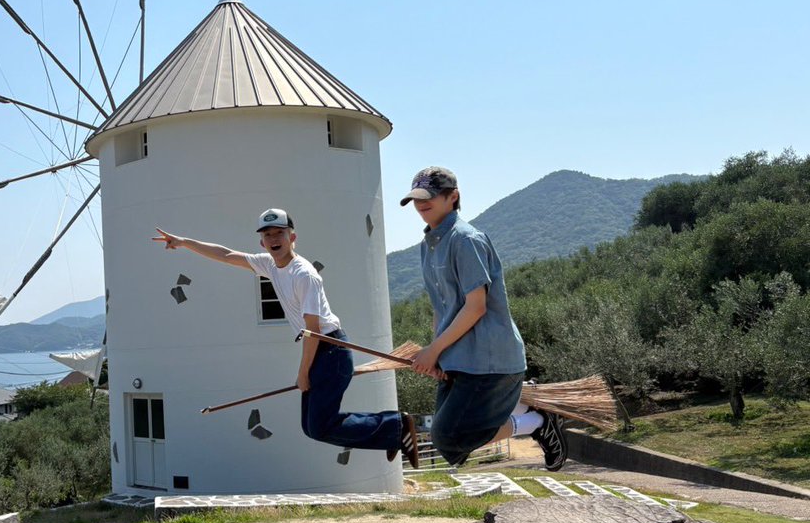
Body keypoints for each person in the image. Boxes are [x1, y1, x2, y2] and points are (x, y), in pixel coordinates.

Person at [154, 209, 418, 464]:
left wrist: (303, 373)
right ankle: (392, 431)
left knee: (320, 427)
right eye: (267, 235)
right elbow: (225, 254)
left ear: (292, 237)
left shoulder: (304, 274)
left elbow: (312, 330)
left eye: (279, 233)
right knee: (311, 427)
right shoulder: (269, 264)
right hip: (321, 353)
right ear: (261, 241)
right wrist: (185, 242)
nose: (273, 239)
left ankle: (395, 427)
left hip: (330, 351)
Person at [401, 166, 567, 470]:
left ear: (453, 197)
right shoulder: (429, 246)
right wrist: (437, 355)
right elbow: (442, 306)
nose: (421, 204)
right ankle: (522, 403)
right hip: (457, 357)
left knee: (449, 437)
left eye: (430, 196)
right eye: (416, 199)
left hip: (488, 360)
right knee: (450, 444)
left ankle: (535, 422)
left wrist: (434, 351)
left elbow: (475, 307)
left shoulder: (466, 240)